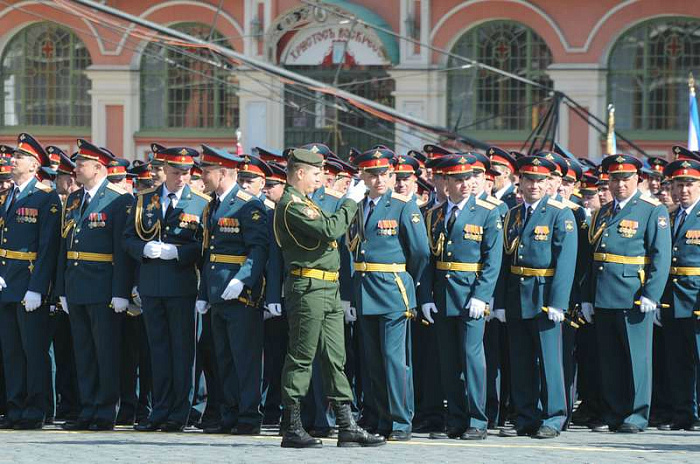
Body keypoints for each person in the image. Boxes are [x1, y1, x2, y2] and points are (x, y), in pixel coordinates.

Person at [273, 148, 384, 448]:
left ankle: (346, 424)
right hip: (307, 289)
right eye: (315, 173)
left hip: (328, 289)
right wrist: (350, 201)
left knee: (336, 358)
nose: (319, 179)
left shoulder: (306, 202)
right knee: (301, 357)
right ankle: (292, 426)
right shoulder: (291, 205)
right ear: (299, 173)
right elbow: (331, 229)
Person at [123, 145, 210, 432]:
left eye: (187, 173)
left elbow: (205, 246)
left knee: (182, 352)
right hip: (151, 285)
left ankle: (179, 413)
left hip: (182, 285)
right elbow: (128, 238)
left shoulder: (200, 202)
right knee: (157, 351)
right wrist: (143, 249)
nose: (182, 178)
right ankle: (158, 410)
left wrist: (179, 253)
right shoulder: (145, 200)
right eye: (176, 173)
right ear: (164, 171)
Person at [582, 154, 671, 433]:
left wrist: (651, 294)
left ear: (637, 180)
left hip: (633, 294)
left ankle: (636, 414)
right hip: (604, 293)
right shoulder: (602, 213)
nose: (620, 184)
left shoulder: (651, 210)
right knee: (610, 360)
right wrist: (587, 296)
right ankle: (615, 411)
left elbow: (661, 256)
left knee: (637, 359)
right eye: (615, 179)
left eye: (626, 178)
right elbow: (592, 258)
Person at [347, 148, 430, 441]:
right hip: (365, 290)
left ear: (392, 176)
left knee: (394, 360)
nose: (378, 179)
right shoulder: (357, 206)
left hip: (394, 290)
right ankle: (381, 417)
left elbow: (420, 252)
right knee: (373, 361)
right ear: (364, 177)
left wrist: (407, 281)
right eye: (372, 174)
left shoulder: (403, 206)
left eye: (384, 174)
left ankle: (399, 421)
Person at [422, 154, 503, 440]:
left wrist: (482, 295)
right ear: (445, 183)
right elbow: (427, 259)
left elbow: (493, 260)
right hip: (444, 295)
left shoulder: (487, 212)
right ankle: (455, 419)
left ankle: (478, 421)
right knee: (449, 361)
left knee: (472, 359)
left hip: (471, 294)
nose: (466, 184)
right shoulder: (434, 215)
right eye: (458, 179)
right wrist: (426, 295)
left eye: (469, 178)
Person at [55, 139, 134, 431]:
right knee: (83, 352)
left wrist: (120, 291)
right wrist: (62, 289)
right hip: (76, 286)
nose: (76, 168)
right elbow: (65, 245)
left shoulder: (118, 199)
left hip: (103, 287)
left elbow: (121, 252)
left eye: (81, 164)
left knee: (105, 352)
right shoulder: (75, 200)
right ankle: (87, 407)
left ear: (98, 168)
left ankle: (104, 410)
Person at [496, 156, 577, 439]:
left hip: (544, 295)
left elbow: (566, 262)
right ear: (520, 181)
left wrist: (559, 302)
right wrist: (500, 303)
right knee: (521, 360)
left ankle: (554, 417)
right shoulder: (513, 214)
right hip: (517, 294)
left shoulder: (559, 213)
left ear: (547, 184)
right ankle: (526, 416)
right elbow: (505, 261)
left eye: (540, 181)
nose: (534, 185)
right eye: (529, 179)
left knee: (550, 360)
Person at [196, 145, 268, 435]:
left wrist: (243, 279)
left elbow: (259, 248)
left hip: (240, 295)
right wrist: (203, 294)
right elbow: (208, 252)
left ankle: (249, 417)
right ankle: (229, 414)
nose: (202, 176)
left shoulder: (247, 204)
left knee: (244, 359)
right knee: (223, 358)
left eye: (206, 171)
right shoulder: (213, 203)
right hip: (216, 292)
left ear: (223, 173)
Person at [0, 133, 61, 430]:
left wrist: (38, 287)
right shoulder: (10, 195)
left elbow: (48, 247)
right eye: (14, 157)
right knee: (11, 351)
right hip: (6, 282)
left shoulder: (45, 197)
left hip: (28, 284)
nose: (13, 161)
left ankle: (36, 408)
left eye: (20, 157)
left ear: (35, 165)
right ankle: (15, 406)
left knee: (33, 351)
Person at [660, 158, 700, 431]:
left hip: (696, 296)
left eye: (689, 184)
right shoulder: (670, 215)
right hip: (672, 298)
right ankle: (683, 413)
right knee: (676, 360)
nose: (683, 190)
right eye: (678, 184)